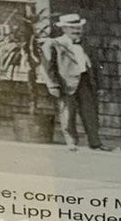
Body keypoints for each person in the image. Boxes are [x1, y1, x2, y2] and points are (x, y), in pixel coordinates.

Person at [38, 12, 101, 149]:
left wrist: (98, 84)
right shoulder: (54, 43)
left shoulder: (86, 44)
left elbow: (95, 66)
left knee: (90, 113)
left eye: (79, 28)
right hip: (65, 82)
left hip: (85, 81)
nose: (77, 31)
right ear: (64, 29)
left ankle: (95, 142)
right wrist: (52, 85)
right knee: (68, 113)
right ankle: (71, 142)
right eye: (73, 28)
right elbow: (46, 67)